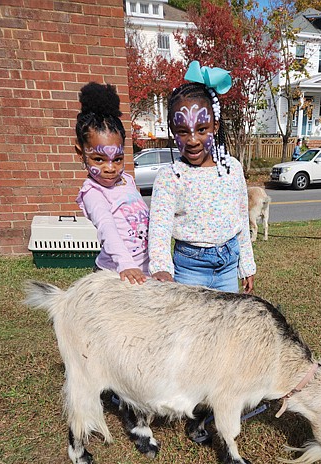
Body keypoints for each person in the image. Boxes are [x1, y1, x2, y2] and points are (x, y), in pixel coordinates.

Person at [148, 61, 256, 294]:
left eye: (202, 129)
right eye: (183, 131)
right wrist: (161, 269)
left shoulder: (232, 168)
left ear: (215, 126)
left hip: (228, 265)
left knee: (225, 325)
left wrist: (246, 264)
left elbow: (241, 219)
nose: (193, 140)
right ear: (173, 131)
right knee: (190, 329)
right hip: (189, 269)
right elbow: (159, 228)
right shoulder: (170, 176)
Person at [75, 82, 150, 284]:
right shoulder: (93, 192)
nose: (110, 168)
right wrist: (126, 264)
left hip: (144, 271)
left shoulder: (127, 180)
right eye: (98, 159)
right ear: (80, 152)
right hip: (117, 273)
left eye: (117, 159)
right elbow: (107, 227)